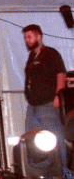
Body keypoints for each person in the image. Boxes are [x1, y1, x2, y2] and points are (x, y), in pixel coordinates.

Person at [22, 23, 68, 171]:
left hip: (47, 104)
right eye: (25, 37)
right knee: (32, 138)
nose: (27, 40)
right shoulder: (31, 56)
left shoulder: (50, 53)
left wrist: (58, 95)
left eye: (29, 36)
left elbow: (60, 74)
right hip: (33, 106)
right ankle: (39, 171)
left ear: (39, 36)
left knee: (55, 137)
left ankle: (63, 172)